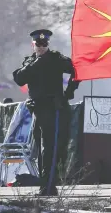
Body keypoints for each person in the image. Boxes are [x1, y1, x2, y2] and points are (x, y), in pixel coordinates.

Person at [12, 29, 80, 196]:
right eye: (38, 44)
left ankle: (49, 186)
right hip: (38, 110)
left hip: (54, 109)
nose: (41, 47)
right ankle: (46, 185)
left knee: (51, 148)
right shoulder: (30, 61)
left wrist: (68, 93)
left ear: (48, 44)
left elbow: (77, 71)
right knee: (42, 148)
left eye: (44, 44)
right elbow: (20, 79)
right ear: (33, 45)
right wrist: (37, 62)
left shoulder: (56, 58)